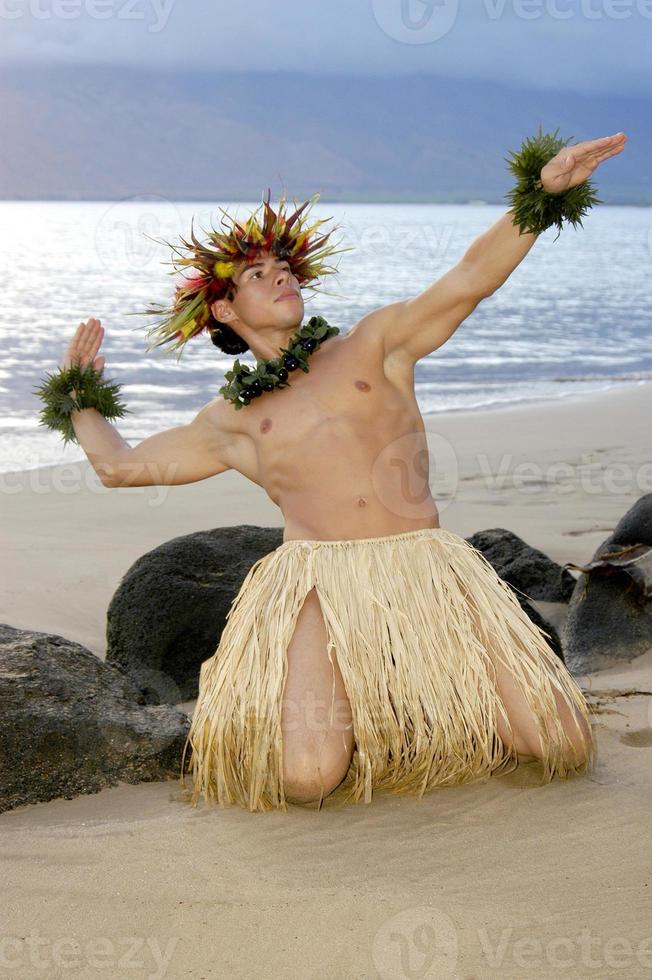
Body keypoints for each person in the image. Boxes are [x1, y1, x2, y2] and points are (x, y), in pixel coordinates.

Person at [42, 129, 628, 812]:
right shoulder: (230, 422)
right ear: (224, 311)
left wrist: (539, 196)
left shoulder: (376, 345)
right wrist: (78, 397)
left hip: (428, 568)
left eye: (283, 268)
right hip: (317, 581)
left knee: (558, 743)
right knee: (307, 775)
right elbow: (119, 468)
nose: (279, 276)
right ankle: (369, 715)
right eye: (256, 275)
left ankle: (428, 713)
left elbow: (470, 279)